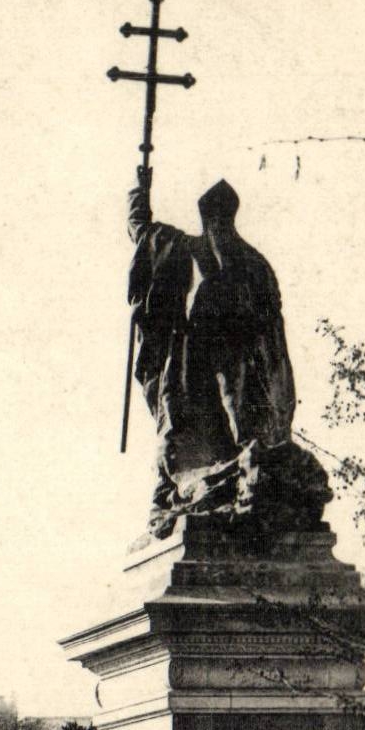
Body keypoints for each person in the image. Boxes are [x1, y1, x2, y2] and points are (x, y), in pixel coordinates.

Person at [128, 170, 298, 537]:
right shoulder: (190, 250)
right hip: (192, 364)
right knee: (178, 427)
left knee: (232, 423)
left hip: (235, 362)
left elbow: (272, 326)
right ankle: (173, 496)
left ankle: (237, 486)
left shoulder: (249, 263)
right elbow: (142, 234)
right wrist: (138, 194)